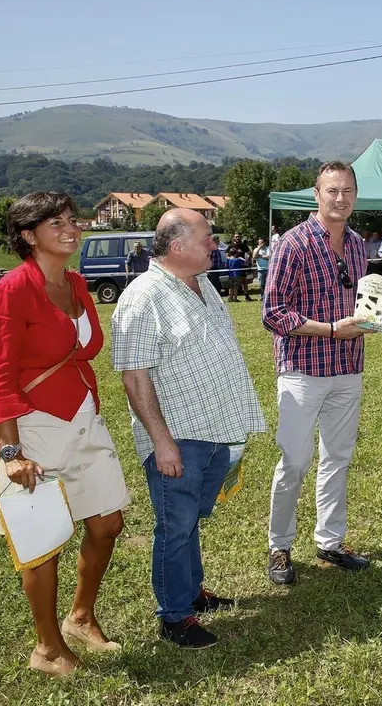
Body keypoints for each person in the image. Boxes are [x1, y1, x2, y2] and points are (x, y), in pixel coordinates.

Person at [0, 192, 129, 675]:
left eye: (72, 220)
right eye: (56, 223)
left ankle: (80, 617)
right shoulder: (9, 292)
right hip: (33, 427)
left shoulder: (77, 283)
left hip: (84, 417)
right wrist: (12, 452)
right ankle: (46, 648)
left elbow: (82, 350)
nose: (71, 229)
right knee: (42, 540)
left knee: (107, 524)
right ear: (28, 235)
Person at [110, 208, 267, 649]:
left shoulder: (202, 283)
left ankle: (192, 592)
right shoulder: (142, 297)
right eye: (207, 238)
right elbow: (134, 377)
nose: (215, 245)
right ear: (177, 246)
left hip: (214, 429)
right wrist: (162, 442)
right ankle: (175, 616)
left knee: (191, 518)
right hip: (179, 437)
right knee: (175, 526)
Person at [262, 161, 377, 585]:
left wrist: (373, 318)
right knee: (294, 461)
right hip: (303, 370)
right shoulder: (293, 244)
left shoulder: (358, 245)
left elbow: (361, 304)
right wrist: (330, 329)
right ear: (317, 195)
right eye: (332, 190)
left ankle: (330, 541)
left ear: (355, 195)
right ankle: (279, 546)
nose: (340, 198)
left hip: (348, 367)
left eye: (347, 190)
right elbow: (272, 313)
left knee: (338, 458)